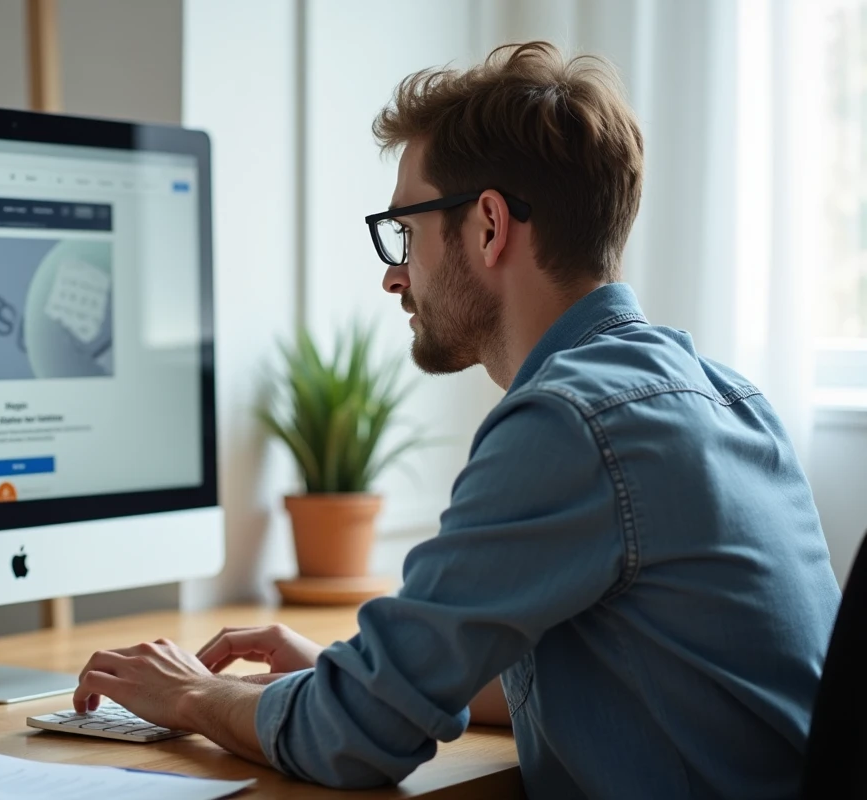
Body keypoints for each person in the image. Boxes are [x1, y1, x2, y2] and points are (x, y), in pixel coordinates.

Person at [71, 41, 842, 799]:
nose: (393, 274)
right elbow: (607, 677)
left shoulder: (572, 424)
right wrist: (346, 670)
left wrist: (191, 696)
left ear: (487, 226)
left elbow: (352, 741)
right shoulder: (724, 396)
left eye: (405, 231)